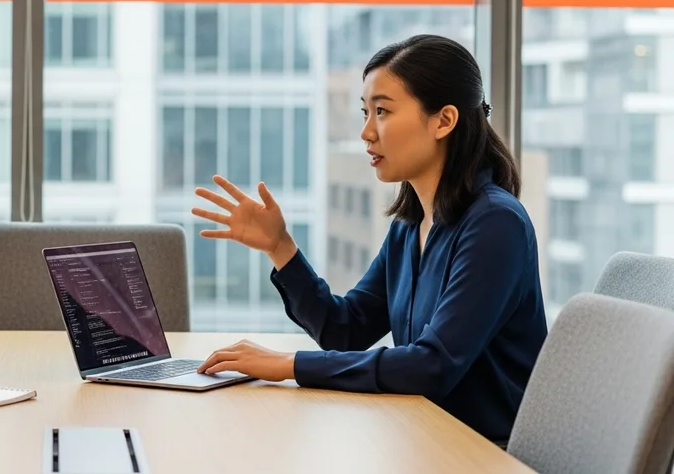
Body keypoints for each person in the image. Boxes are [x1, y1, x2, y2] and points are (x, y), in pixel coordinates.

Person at [192, 34, 547, 445]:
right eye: (366, 112)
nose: (366, 132)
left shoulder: (495, 224)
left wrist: (288, 364)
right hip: (424, 438)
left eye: (382, 111)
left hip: (483, 453)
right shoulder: (409, 226)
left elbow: (432, 366)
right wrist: (280, 247)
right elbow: (345, 330)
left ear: (444, 121)